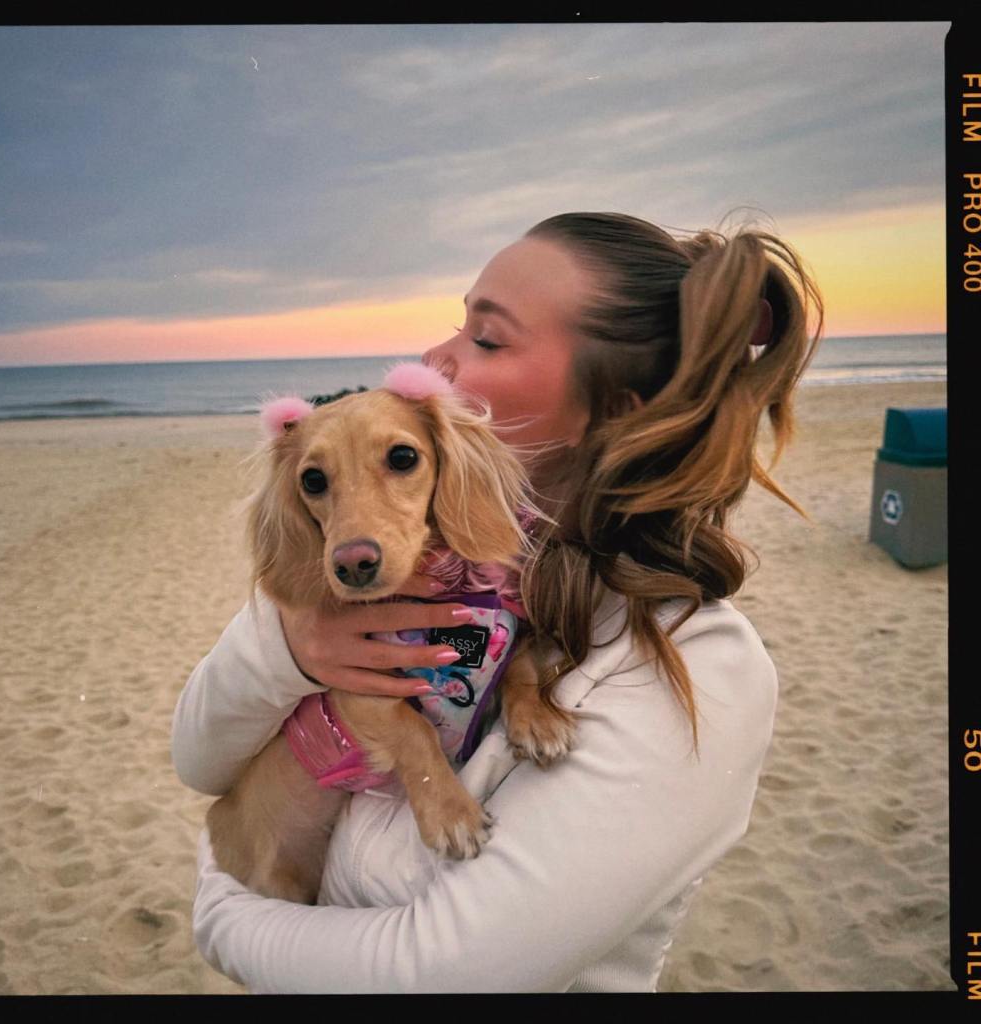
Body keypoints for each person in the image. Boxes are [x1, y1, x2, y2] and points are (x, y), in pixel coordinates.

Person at [171, 211, 823, 993]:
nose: (432, 361)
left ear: (619, 410)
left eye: (486, 339)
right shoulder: (367, 570)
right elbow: (200, 762)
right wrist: (287, 647)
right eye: (456, 326)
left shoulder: (695, 670)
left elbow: (444, 973)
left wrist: (222, 911)